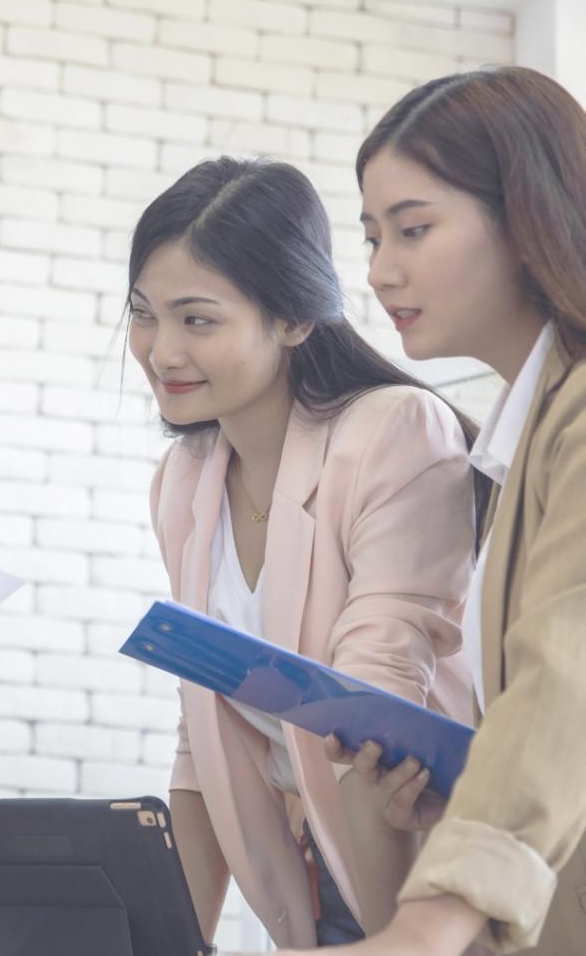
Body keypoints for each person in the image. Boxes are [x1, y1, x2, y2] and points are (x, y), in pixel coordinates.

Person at [276, 67, 586, 956]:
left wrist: (433, 916)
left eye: (413, 229)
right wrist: (460, 794)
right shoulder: (519, 442)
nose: (380, 272)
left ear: (527, 218)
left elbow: (567, 672)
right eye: (373, 237)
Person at [132, 158, 478, 949]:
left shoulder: (391, 429)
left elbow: (372, 707)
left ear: (293, 319)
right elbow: (202, 737)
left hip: (425, 873)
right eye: (142, 314)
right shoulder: (184, 480)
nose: (160, 352)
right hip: (315, 877)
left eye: (197, 320)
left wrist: (390, 937)